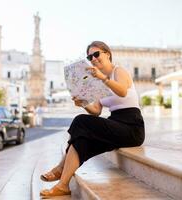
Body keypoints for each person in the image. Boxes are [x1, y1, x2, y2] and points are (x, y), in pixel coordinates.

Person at [40, 41, 145, 198]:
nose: (93, 59)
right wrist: (83, 104)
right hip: (115, 124)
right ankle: (63, 185)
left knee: (80, 121)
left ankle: (60, 167)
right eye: (90, 57)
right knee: (81, 142)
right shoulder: (97, 83)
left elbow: (122, 91)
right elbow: (96, 111)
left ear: (107, 54)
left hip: (132, 127)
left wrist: (103, 78)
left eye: (96, 54)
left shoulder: (119, 71)